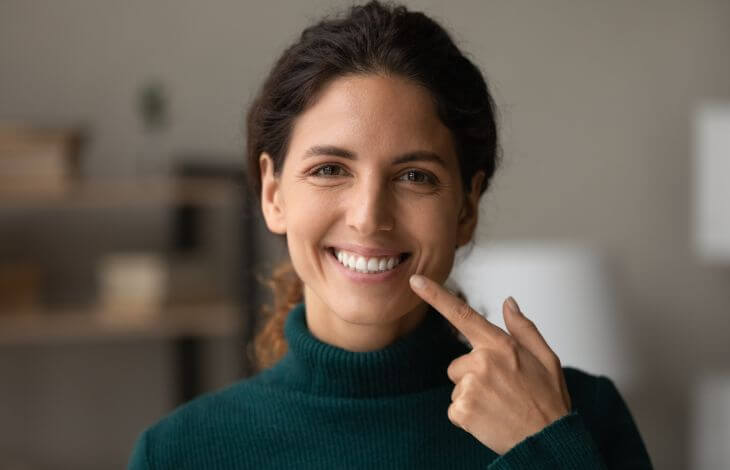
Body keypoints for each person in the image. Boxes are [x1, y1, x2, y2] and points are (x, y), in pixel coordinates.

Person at [128, 1, 653, 468]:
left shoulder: (582, 420)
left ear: (467, 206)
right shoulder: (179, 452)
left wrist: (545, 451)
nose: (368, 217)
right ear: (273, 193)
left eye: (415, 176)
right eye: (330, 169)